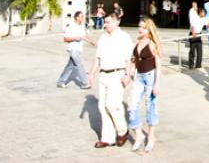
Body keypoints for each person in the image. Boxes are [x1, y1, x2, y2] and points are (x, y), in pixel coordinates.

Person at [90, 13, 133, 149]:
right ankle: (107, 138)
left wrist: (128, 74)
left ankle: (122, 130)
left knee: (112, 105)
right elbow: (97, 58)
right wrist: (91, 73)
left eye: (108, 22)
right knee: (102, 106)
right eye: (105, 22)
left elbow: (129, 58)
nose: (105, 24)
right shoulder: (103, 38)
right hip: (104, 74)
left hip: (118, 73)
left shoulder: (123, 37)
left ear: (116, 22)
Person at [127, 17, 162, 153]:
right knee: (132, 105)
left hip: (150, 76)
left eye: (143, 27)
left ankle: (151, 136)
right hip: (138, 77)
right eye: (139, 26)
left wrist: (157, 84)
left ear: (148, 30)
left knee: (150, 105)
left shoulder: (152, 44)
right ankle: (139, 135)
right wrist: (128, 73)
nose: (139, 29)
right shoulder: (137, 42)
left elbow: (158, 65)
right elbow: (133, 59)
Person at [57, 11, 95, 89]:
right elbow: (65, 38)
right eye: (81, 16)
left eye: (83, 16)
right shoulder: (71, 26)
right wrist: (76, 38)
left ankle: (61, 81)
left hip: (78, 50)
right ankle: (85, 83)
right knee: (79, 65)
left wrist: (91, 42)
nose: (83, 18)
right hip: (73, 49)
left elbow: (83, 36)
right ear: (77, 17)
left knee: (70, 66)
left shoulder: (81, 26)